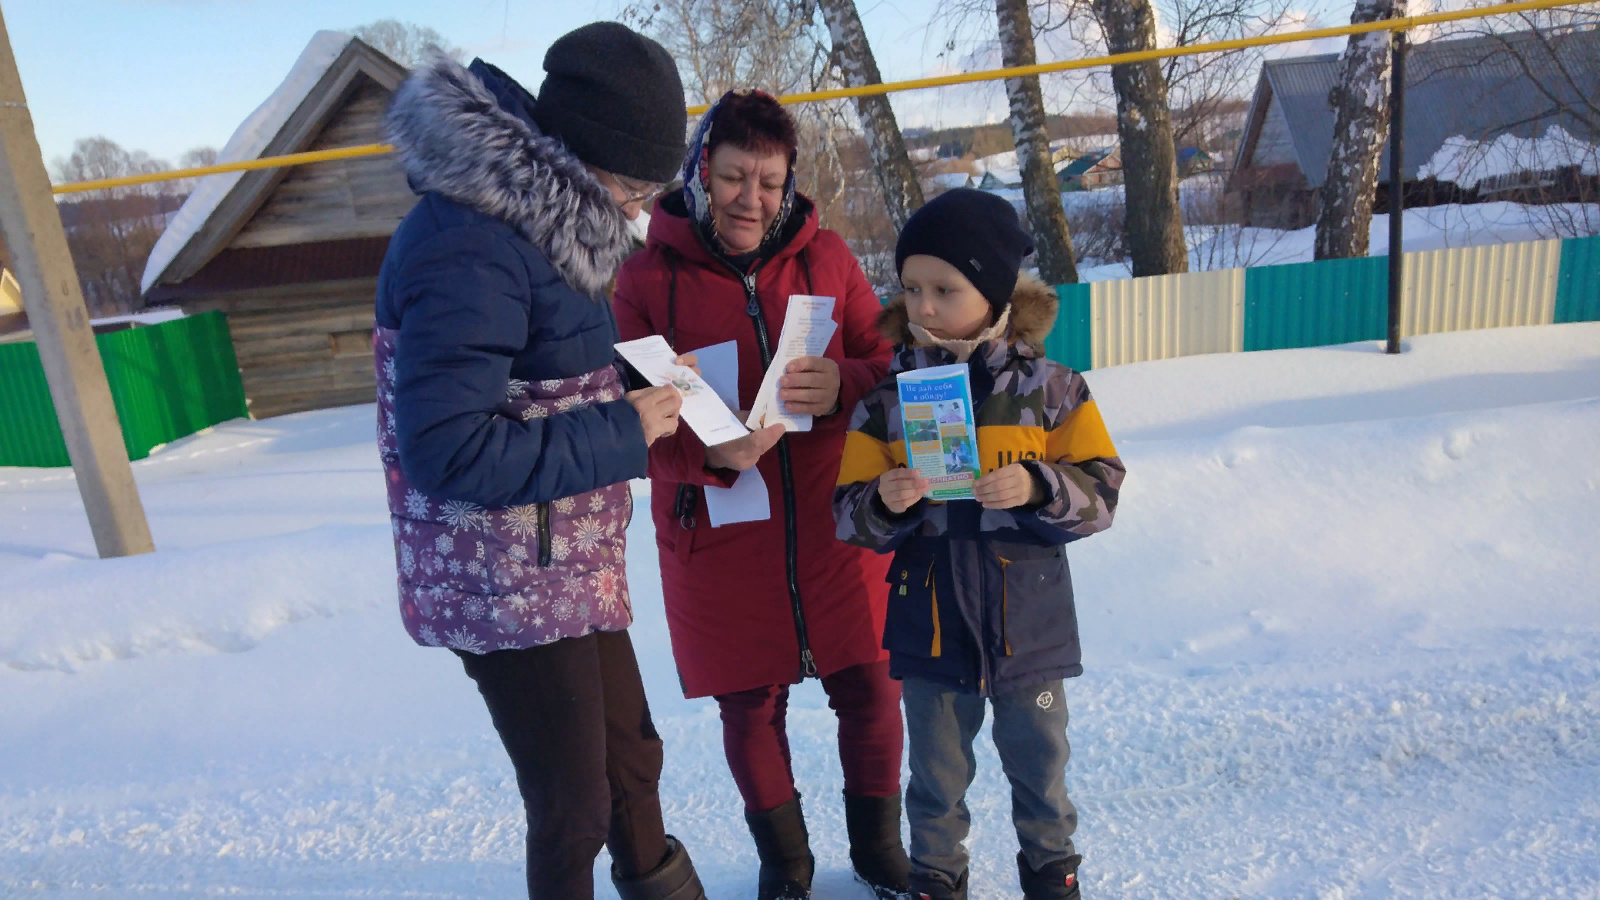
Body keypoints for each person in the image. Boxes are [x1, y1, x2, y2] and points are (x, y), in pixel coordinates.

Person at [375, 23, 707, 900]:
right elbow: (449, 446)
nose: (638, 211)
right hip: (501, 580)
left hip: (563, 557)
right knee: (572, 805)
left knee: (631, 758)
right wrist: (625, 432)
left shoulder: (545, 225)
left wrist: (655, 380)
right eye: (633, 186)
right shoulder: (468, 241)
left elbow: (545, 360)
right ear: (577, 154)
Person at [613, 90, 912, 900]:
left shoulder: (831, 261)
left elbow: (893, 371)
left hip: (836, 520)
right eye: (735, 176)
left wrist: (841, 382)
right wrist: (713, 456)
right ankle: (786, 863)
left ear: (788, 185)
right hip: (718, 534)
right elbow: (631, 424)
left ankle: (881, 852)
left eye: (770, 181)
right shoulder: (643, 280)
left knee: (873, 686)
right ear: (702, 172)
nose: (752, 198)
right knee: (748, 711)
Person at [832, 189, 1126, 900]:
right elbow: (847, 517)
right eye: (910, 288)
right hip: (931, 625)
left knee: (1041, 766)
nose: (922, 306)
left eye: (944, 289)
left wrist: (1038, 487)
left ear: (992, 292)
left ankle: (1052, 872)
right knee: (934, 776)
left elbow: (1103, 493)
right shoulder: (887, 402)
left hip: (1029, 622)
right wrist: (886, 501)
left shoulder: (1053, 391)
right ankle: (936, 878)